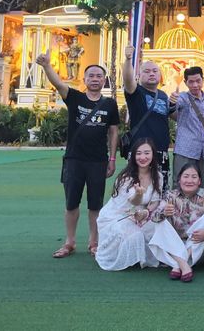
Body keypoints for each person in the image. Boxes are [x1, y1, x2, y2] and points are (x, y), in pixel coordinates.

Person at [36, 50, 120, 259]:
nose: (95, 79)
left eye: (99, 76)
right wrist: (46, 66)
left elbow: (113, 132)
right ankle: (70, 242)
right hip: (74, 159)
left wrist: (112, 159)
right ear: (84, 79)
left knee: (95, 204)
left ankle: (94, 243)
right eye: (91, 75)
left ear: (104, 80)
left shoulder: (110, 104)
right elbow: (58, 84)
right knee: (71, 202)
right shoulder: (74, 97)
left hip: (98, 161)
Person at [95, 138, 163, 271]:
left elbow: (155, 201)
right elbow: (133, 202)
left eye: (147, 153)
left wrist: (146, 212)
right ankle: (124, 255)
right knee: (136, 235)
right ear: (133, 156)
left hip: (141, 215)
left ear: (153, 154)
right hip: (118, 216)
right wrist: (139, 194)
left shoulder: (158, 176)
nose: (143, 157)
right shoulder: (126, 177)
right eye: (139, 153)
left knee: (160, 227)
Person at [149, 163, 204, 282]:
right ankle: (183, 265)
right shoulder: (170, 195)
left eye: (194, 177)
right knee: (160, 222)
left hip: (195, 244)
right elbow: (154, 218)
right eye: (186, 176)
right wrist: (164, 212)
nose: (189, 180)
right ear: (179, 179)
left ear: (199, 181)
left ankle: (177, 264)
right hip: (173, 243)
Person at [123, 44, 172, 187]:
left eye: (155, 71)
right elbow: (128, 80)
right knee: (138, 190)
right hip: (140, 152)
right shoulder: (136, 91)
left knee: (161, 190)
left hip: (161, 151)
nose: (151, 74)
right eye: (147, 71)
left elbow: (171, 115)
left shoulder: (163, 95)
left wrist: (176, 103)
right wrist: (128, 60)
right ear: (139, 76)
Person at [170, 66, 204, 189]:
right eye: (191, 82)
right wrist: (172, 102)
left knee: (202, 185)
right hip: (185, 150)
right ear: (185, 82)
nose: (195, 85)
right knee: (179, 184)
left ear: (203, 80)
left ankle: (201, 203)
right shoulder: (182, 98)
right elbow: (173, 107)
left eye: (198, 81)